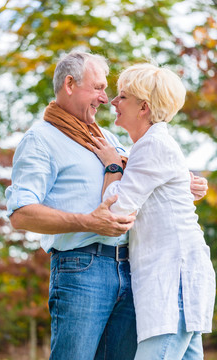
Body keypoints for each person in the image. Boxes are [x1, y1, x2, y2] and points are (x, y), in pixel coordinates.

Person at [5, 51, 208, 360]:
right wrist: (87, 222)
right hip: (83, 268)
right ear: (70, 84)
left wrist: (184, 182)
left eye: (114, 92)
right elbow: (20, 215)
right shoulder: (41, 140)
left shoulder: (110, 139)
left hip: (133, 270)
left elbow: (147, 178)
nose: (106, 98)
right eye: (98, 87)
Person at [91, 62, 216, 360]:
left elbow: (118, 208)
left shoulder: (153, 146)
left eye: (122, 97)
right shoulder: (147, 147)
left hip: (173, 283)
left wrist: (111, 167)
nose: (113, 102)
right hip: (175, 279)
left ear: (143, 107)